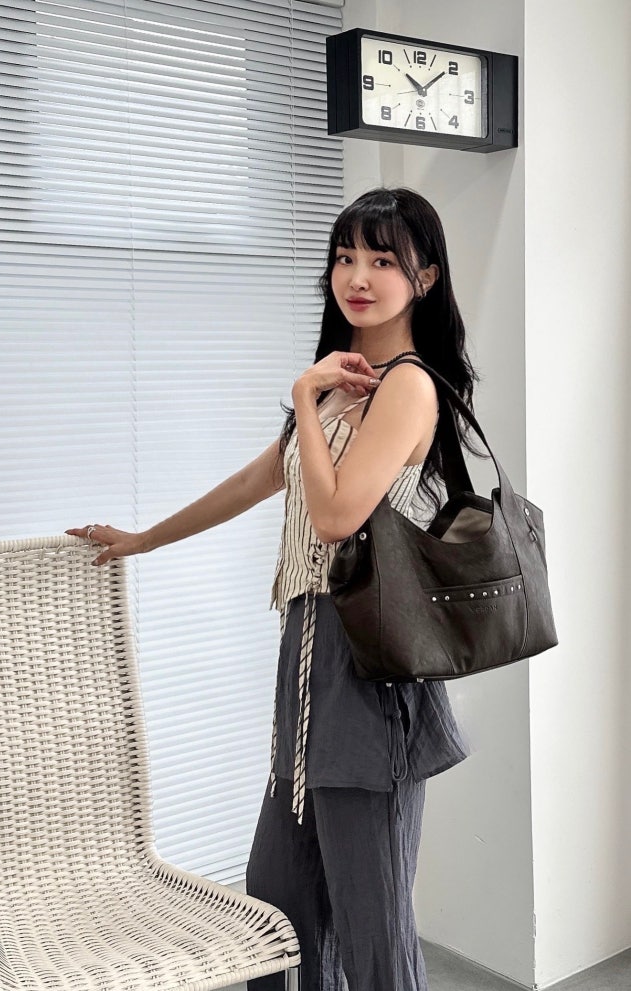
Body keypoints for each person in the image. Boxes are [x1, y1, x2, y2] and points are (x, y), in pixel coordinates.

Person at [66, 185, 477, 991]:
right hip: (309, 662)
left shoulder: (407, 386)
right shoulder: (341, 383)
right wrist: (144, 539)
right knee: (278, 908)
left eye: (382, 259)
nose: (356, 276)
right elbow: (259, 479)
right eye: (344, 256)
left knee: (371, 926)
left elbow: (333, 515)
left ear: (424, 277)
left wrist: (302, 396)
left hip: (369, 669)